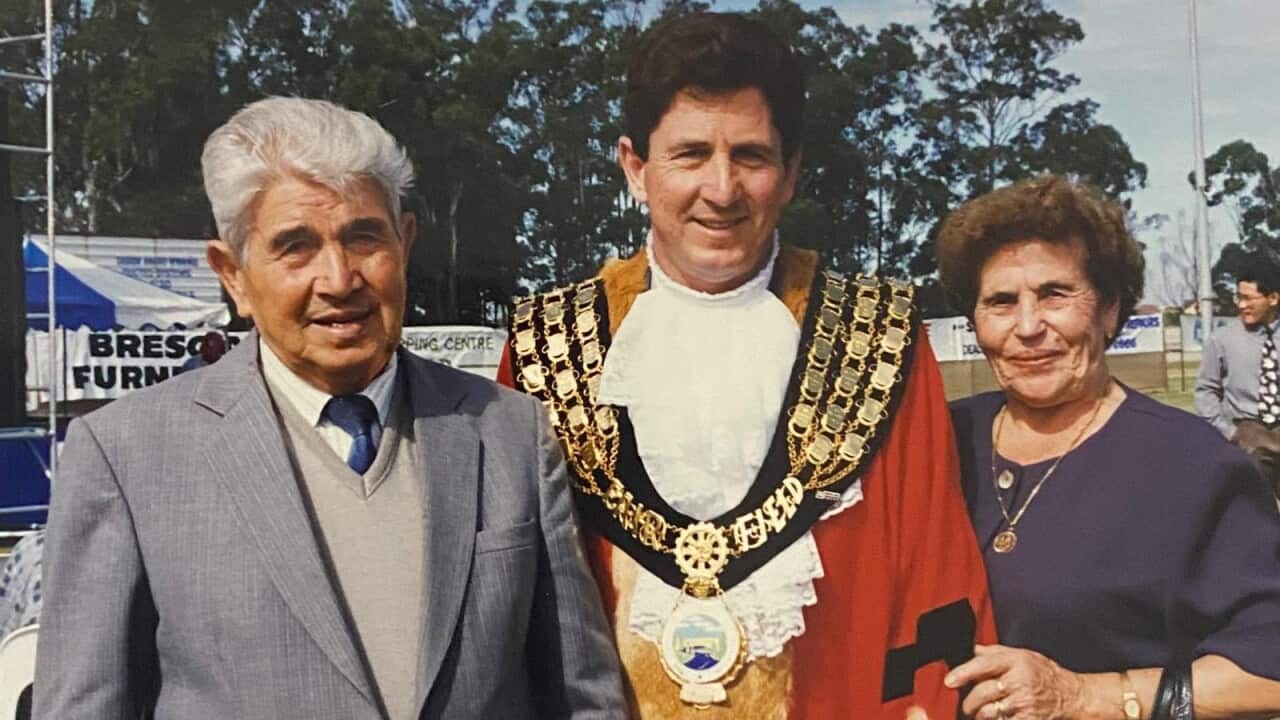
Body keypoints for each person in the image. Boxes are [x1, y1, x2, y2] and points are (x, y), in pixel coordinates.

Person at [34, 97, 625, 720]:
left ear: (405, 243)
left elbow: (581, 697)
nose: (340, 279)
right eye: (296, 246)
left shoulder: (509, 432)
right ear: (232, 275)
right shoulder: (128, 457)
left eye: (363, 237)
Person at [499, 12, 995, 718]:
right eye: (691, 154)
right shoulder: (547, 348)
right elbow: (509, 612)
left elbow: (933, 577)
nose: (722, 188)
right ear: (635, 168)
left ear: (790, 174)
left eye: (752, 157)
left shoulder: (877, 338)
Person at [941, 175, 1280, 719]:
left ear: (1108, 309)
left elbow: (1269, 672)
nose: (1027, 326)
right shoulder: (940, 440)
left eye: (1054, 294)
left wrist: (1084, 696)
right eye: (1001, 302)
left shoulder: (1192, 463)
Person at [1195, 261, 1280, 494]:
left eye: (1249, 298)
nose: (1242, 305)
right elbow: (1205, 390)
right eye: (1238, 297)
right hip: (1249, 436)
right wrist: (1230, 433)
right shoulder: (1222, 339)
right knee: (1253, 511)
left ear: (1273, 298)